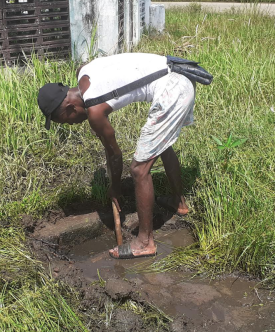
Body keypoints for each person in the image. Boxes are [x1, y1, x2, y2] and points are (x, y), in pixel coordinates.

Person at [37, 52, 196, 259]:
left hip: (173, 90)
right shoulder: (82, 73)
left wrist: (115, 186)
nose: (72, 124)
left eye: (67, 121)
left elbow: (114, 154)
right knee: (161, 145)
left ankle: (145, 242)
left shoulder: (94, 111)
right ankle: (179, 202)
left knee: (139, 169)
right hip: (180, 75)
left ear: (70, 108)